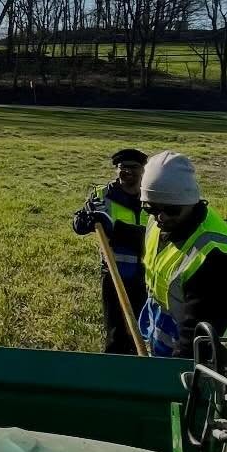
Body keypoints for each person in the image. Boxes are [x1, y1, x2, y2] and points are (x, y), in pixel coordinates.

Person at [137, 151, 227, 360]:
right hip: (166, 324)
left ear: (190, 201)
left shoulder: (215, 255)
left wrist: (175, 372)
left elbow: (198, 334)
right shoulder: (162, 221)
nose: (160, 217)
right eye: (150, 209)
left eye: (171, 210)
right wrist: (115, 229)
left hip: (208, 343)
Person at [71, 147, 148, 354]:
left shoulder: (152, 196)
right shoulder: (101, 195)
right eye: (122, 168)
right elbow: (79, 226)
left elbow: (150, 237)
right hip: (115, 272)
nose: (127, 172)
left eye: (133, 168)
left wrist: (115, 229)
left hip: (147, 275)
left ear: (143, 170)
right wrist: (83, 221)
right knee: (116, 333)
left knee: (142, 331)